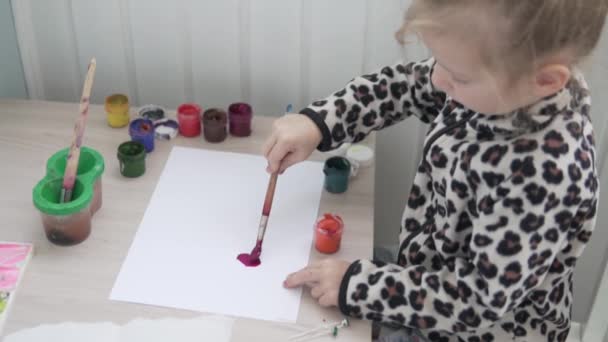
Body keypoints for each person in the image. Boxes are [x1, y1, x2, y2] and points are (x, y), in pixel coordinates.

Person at [263, 1, 607, 341]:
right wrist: (320, 123)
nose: (438, 79)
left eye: (458, 76)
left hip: (478, 328)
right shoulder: (501, 81)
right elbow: (405, 87)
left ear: (545, 80)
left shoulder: (544, 176)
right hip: (427, 275)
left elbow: (476, 300)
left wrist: (356, 287)